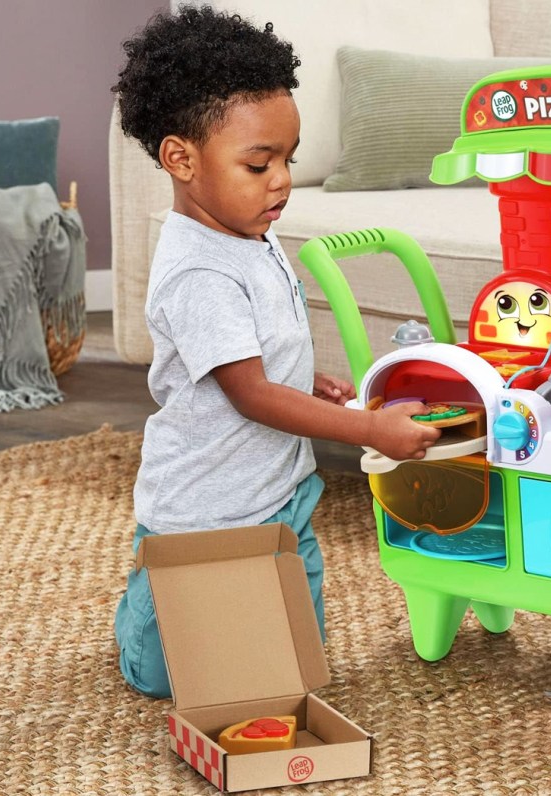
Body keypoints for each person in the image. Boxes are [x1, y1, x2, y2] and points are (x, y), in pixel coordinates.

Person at [111, 5, 440, 698]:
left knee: (288, 667)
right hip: (205, 517)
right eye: (260, 163)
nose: (283, 179)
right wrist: (370, 429)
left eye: (288, 159)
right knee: (164, 677)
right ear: (181, 158)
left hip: (282, 502)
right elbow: (251, 394)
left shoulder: (251, 225)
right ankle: (141, 617)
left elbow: (259, 355)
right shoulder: (199, 271)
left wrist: (304, 375)